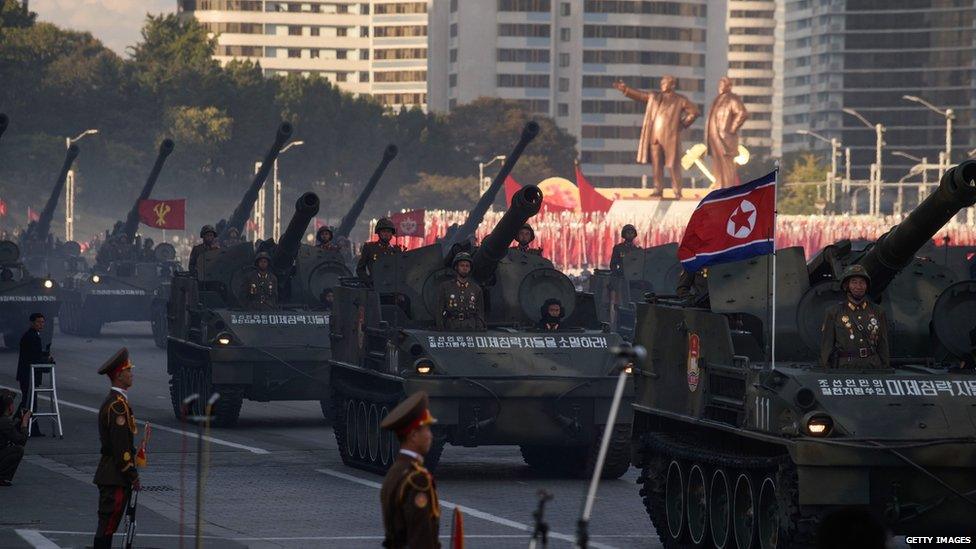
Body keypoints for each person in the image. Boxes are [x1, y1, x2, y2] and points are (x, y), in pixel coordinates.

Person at [612, 75, 700, 199]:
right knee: (656, 165)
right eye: (662, 82)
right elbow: (640, 96)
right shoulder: (655, 97)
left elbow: (695, 111)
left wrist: (682, 124)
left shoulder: (680, 99)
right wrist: (626, 89)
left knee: (673, 165)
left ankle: (677, 190)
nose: (663, 84)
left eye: (666, 82)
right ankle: (657, 189)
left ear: (672, 85)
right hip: (655, 136)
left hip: (670, 137)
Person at [379, 391, 441, 549]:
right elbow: (421, 536)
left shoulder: (396, 470)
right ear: (413, 435)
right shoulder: (417, 479)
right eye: (427, 430)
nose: (430, 436)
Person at [93, 348, 140, 549]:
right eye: (128, 370)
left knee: (108, 524)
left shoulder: (118, 402)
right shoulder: (117, 406)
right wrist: (131, 474)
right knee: (108, 524)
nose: (132, 374)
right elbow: (120, 447)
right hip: (115, 474)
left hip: (113, 473)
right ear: (119, 375)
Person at [819, 265, 889, 369]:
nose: (858, 286)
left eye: (862, 282)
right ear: (846, 286)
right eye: (854, 282)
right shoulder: (833, 312)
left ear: (866, 286)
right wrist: (826, 368)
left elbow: (883, 343)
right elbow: (827, 345)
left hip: (872, 366)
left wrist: (885, 367)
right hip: (845, 367)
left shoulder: (878, 311)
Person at [706, 76, 749, 189]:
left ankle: (727, 186)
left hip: (725, 137)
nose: (720, 86)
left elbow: (742, 113)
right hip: (714, 136)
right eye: (719, 84)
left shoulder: (732, 99)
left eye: (723, 84)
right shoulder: (717, 99)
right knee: (717, 162)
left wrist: (731, 129)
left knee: (727, 163)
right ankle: (719, 184)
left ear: (729, 86)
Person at [17, 313, 51, 436]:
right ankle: (26, 427)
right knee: (29, 402)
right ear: (32, 323)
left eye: (42, 322)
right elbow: (34, 358)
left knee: (28, 401)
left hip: (28, 375)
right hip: (28, 375)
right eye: (38, 322)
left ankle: (21, 426)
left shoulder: (33, 335)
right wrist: (48, 360)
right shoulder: (31, 337)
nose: (41, 324)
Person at [435, 253, 485, 331]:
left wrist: (479, 329)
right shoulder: (445, 287)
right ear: (456, 267)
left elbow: (479, 313)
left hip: (470, 327)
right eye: (462, 265)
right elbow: (439, 310)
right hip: (451, 326)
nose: (464, 268)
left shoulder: (476, 289)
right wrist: (440, 329)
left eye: (467, 266)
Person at [357, 218, 402, 284]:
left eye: (389, 231)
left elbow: (401, 269)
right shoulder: (370, 248)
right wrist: (368, 281)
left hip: (393, 286)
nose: (386, 234)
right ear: (379, 233)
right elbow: (360, 269)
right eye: (383, 231)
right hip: (374, 286)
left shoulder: (396, 250)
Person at [0, 389, 29, 486]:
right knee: (18, 450)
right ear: (9, 407)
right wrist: (24, 423)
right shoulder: (4, 422)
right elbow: (21, 440)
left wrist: (17, 421)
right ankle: (2, 477)